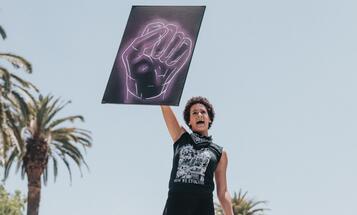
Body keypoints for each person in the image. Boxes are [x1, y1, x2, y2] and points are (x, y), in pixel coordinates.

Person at [161, 96, 233, 215]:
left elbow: (223, 192)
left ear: (209, 119)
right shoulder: (181, 137)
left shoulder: (219, 152)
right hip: (175, 206)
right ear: (189, 121)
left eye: (203, 112)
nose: (199, 114)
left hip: (203, 208)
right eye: (194, 113)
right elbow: (164, 105)